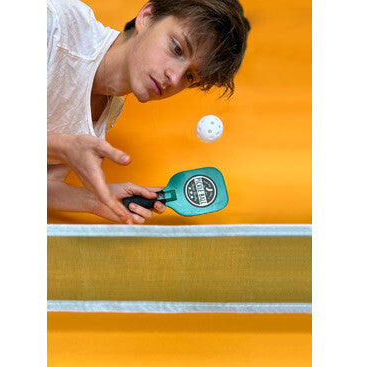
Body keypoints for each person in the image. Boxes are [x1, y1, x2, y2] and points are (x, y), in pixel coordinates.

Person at [47, 0, 250, 224]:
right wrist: (59, 145)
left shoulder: (109, 110)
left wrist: (94, 201)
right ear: (147, 16)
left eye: (190, 76)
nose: (175, 78)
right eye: (177, 48)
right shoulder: (55, 23)